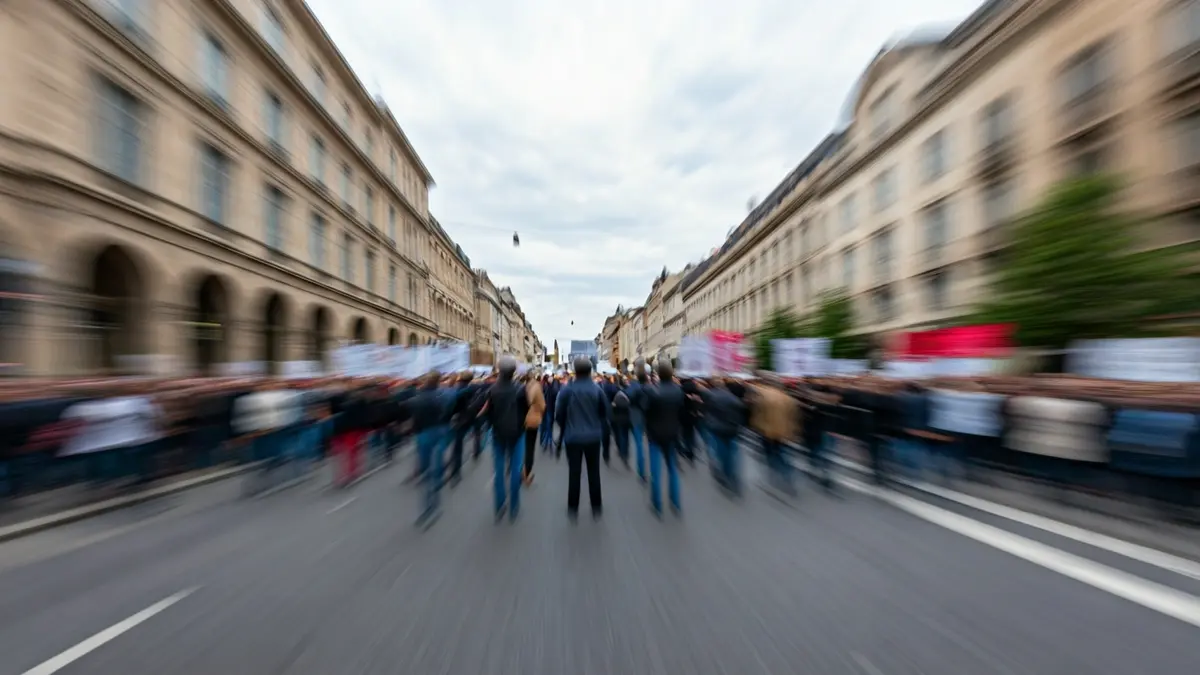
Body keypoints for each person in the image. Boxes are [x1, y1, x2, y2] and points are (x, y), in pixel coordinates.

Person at [555, 357, 607, 522]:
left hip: (573, 437)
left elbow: (559, 414)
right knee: (594, 472)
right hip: (593, 437)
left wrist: (565, 425)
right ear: (590, 371)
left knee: (574, 473)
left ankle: (573, 507)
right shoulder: (597, 389)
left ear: (574, 371)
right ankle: (596, 507)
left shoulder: (567, 390)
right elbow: (604, 413)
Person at [485, 357, 529, 522]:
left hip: (498, 434)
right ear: (513, 372)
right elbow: (526, 410)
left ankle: (499, 506)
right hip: (517, 433)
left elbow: (489, 414)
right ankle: (514, 506)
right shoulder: (520, 389)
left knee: (498, 470)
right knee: (516, 469)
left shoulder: (492, 390)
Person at [643, 361, 688, 517]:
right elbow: (681, 413)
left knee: (655, 470)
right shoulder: (678, 391)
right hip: (673, 434)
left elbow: (647, 413)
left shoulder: (652, 391)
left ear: (658, 374)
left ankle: (657, 505)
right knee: (672, 469)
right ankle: (675, 503)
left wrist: (647, 430)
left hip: (655, 434)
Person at [703, 377, 746, 494]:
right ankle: (734, 478)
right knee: (732, 453)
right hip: (732, 429)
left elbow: (707, 411)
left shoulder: (710, 395)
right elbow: (741, 411)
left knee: (722, 454)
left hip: (718, 429)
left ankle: (726, 476)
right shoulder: (733, 397)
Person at [523, 371, 546, 485]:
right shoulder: (536, 386)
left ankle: (519, 471)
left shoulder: (523, 386)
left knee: (522, 446)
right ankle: (526, 473)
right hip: (532, 419)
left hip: (522, 420)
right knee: (529, 447)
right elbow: (542, 405)